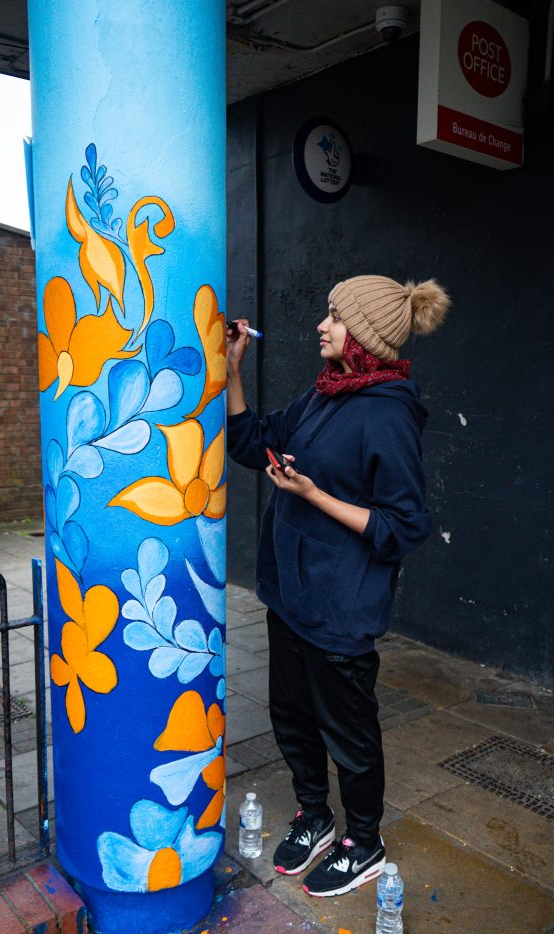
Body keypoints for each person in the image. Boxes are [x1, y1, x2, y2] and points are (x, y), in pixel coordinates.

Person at [226, 274, 450, 897]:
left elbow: (405, 526)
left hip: (341, 605)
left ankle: (365, 841)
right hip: (290, 591)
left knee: (348, 734)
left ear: (366, 336)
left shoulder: (388, 414)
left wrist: (314, 494)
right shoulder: (325, 394)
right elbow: (252, 441)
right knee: (292, 716)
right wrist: (231, 367)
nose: (321, 325)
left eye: (334, 315)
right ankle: (315, 817)